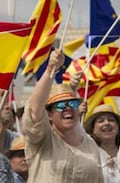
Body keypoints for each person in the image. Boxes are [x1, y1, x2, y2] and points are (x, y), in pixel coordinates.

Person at [22, 49, 103, 182]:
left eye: (72, 103)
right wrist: (50, 70)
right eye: (60, 105)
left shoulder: (90, 144)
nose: (68, 108)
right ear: (48, 114)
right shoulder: (43, 139)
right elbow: (34, 109)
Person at [84, 104, 120, 183]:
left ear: (118, 128)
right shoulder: (89, 154)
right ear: (93, 130)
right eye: (100, 121)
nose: (106, 123)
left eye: (111, 120)